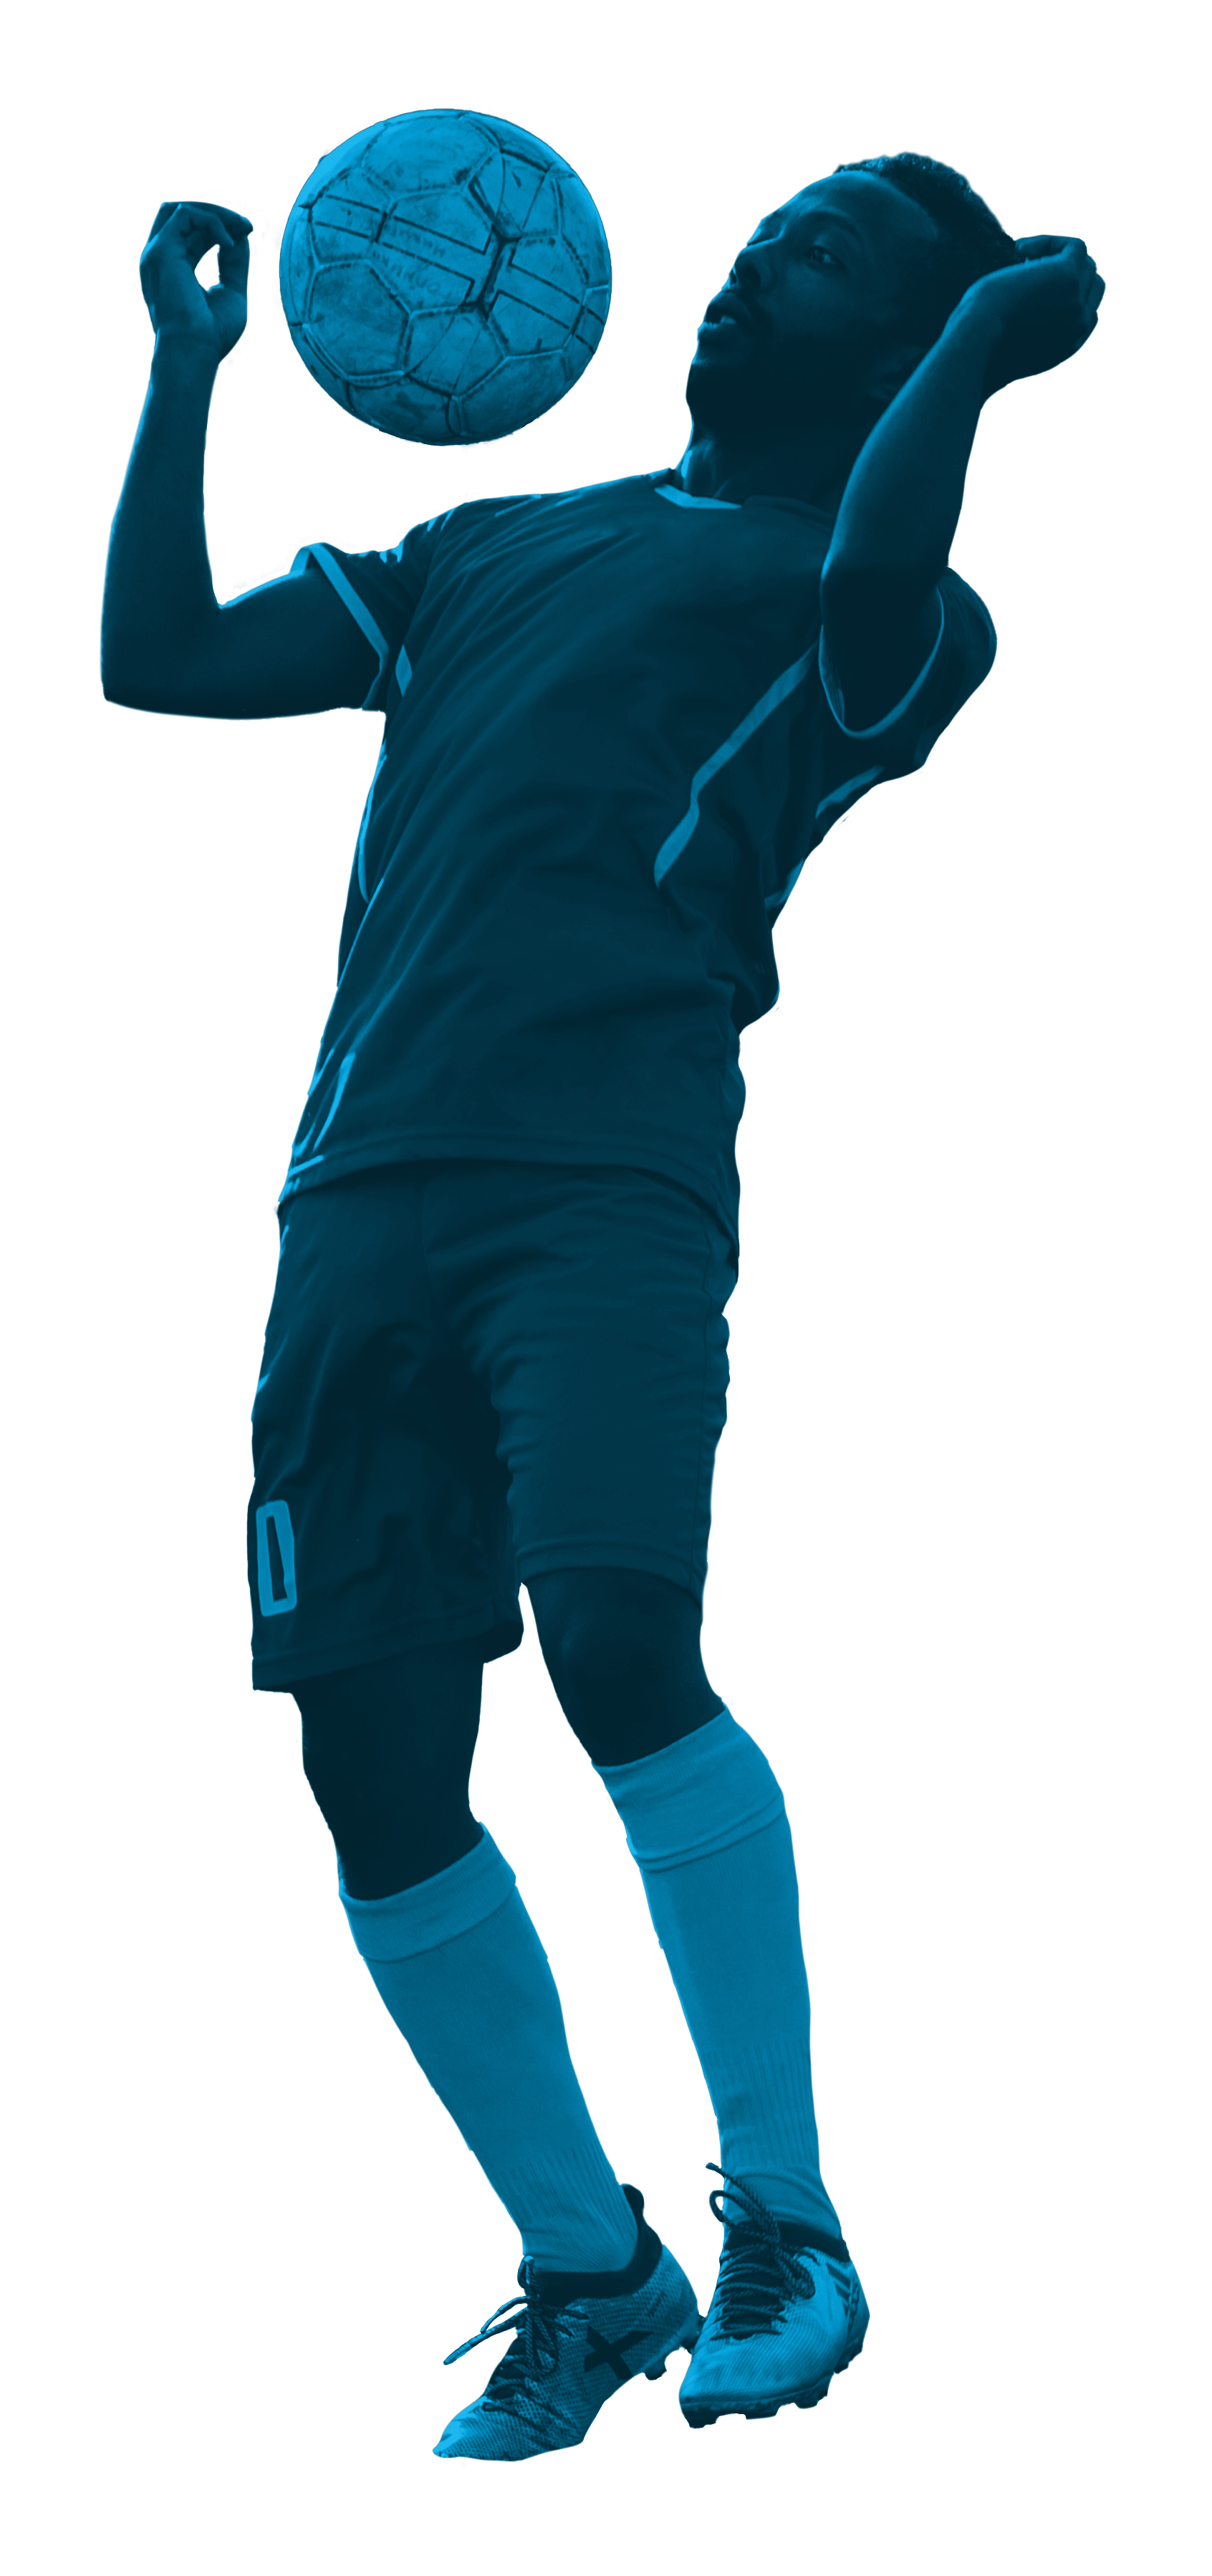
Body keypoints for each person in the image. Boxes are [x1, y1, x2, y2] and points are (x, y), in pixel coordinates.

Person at [101, 140, 1105, 2466]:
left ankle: (789, 2220)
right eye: (761, 233)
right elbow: (153, 657)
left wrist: (975, 349)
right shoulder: (482, 541)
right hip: (352, 1199)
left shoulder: (886, 606)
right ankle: (592, 2268)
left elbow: (883, 563)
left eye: (820, 251)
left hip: (602, 1184)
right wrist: (186, 378)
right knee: (365, 1763)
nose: (753, 259)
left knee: (616, 1638)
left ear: (897, 350)